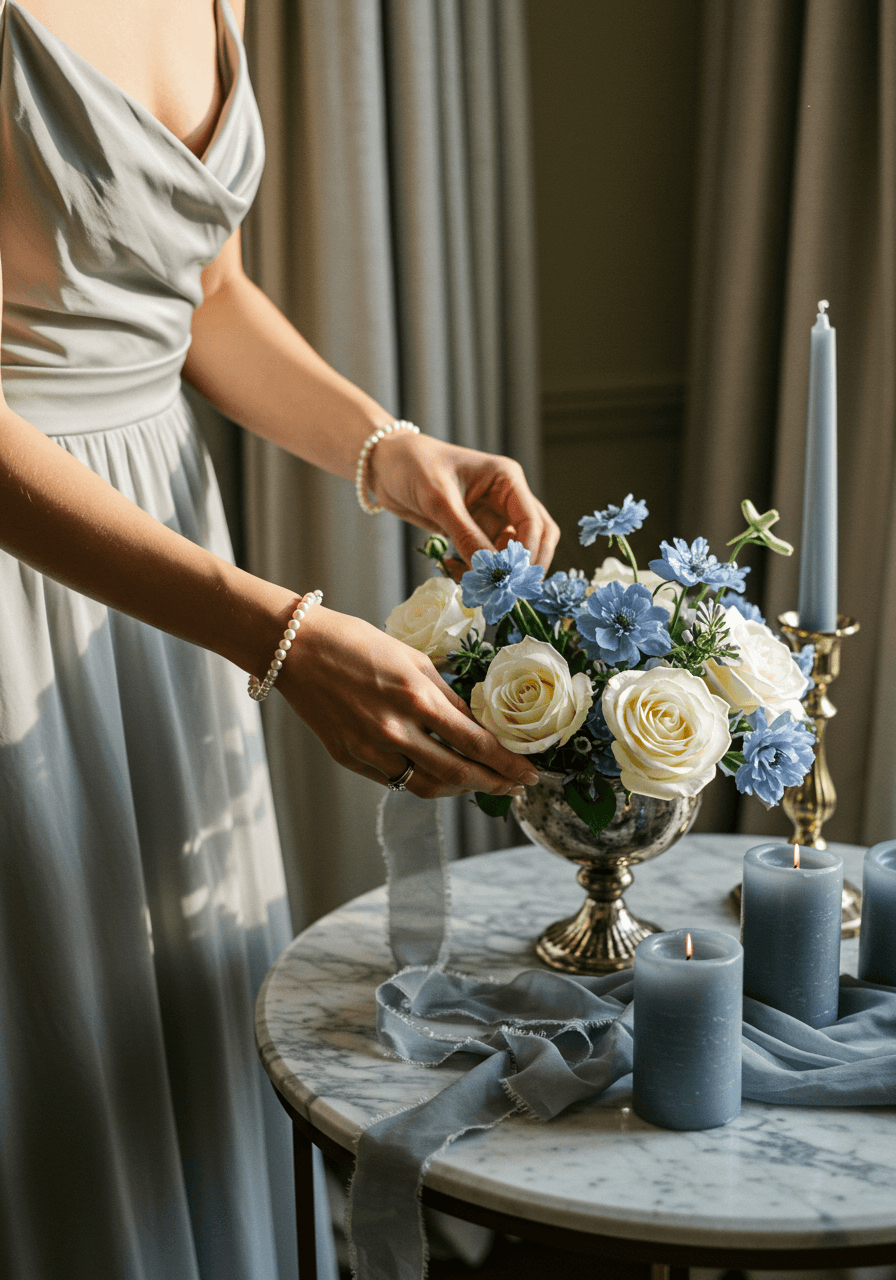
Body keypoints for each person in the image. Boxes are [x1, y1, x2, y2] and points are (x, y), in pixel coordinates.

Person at [0, 0, 558, 1276]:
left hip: (174, 581)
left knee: (181, 1040)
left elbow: (205, 293)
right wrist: (284, 634)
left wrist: (384, 447)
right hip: (27, 580)